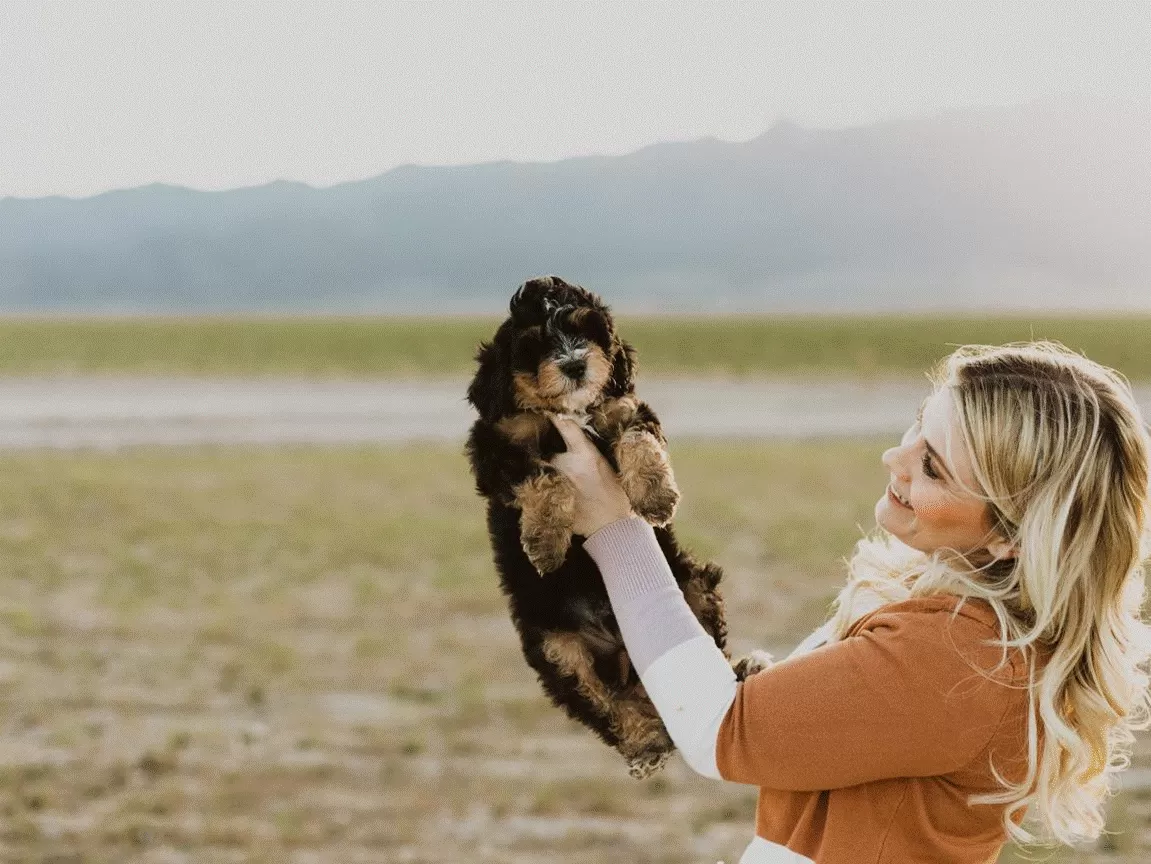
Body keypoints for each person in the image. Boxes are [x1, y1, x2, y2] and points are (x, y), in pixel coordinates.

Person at [545, 341, 1151, 864]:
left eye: (933, 467)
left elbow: (721, 728)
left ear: (1012, 536)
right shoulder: (975, 633)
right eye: (920, 425)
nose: (898, 459)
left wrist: (616, 528)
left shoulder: (959, 658)